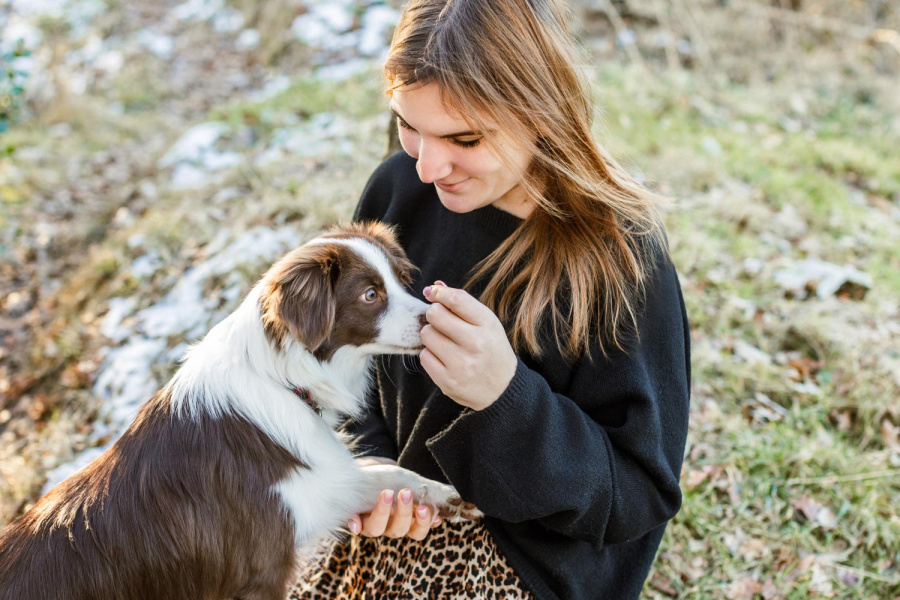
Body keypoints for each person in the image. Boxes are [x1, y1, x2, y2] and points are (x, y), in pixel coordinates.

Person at [290, 0, 690, 598]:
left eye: (465, 138)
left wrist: (505, 398)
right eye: (409, 126)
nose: (428, 165)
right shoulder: (400, 190)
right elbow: (351, 364)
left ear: (541, 113)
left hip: (527, 559)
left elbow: (636, 496)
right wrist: (370, 470)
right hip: (395, 522)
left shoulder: (619, 261)